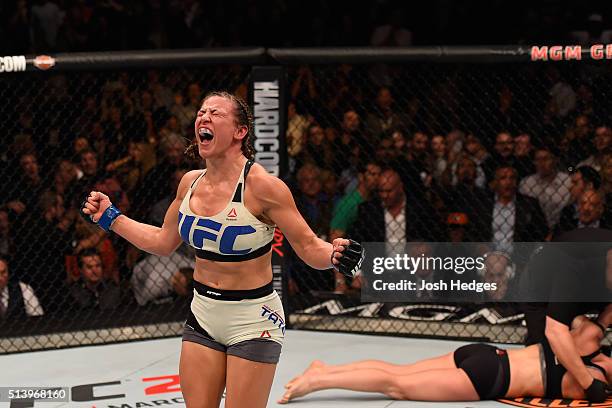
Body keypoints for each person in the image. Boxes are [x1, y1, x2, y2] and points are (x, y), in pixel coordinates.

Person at [80, 91, 364, 408]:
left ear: (240, 131)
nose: (204, 117)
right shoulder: (189, 182)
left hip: (253, 319)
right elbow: (163, 241)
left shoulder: (263, 187)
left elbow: (309, 246)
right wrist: (110, 217)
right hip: (203, 314)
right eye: (201, 112)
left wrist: (336, 255)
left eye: (215, 113)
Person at [279, 311, 611, 404]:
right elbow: (581, 386)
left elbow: (593, 324)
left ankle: (324, 369)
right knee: (397, 385)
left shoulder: (587, 342)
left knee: (400, 372)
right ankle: (318, 381)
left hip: (486, 355)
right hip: (488, 379)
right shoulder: (591, 380)